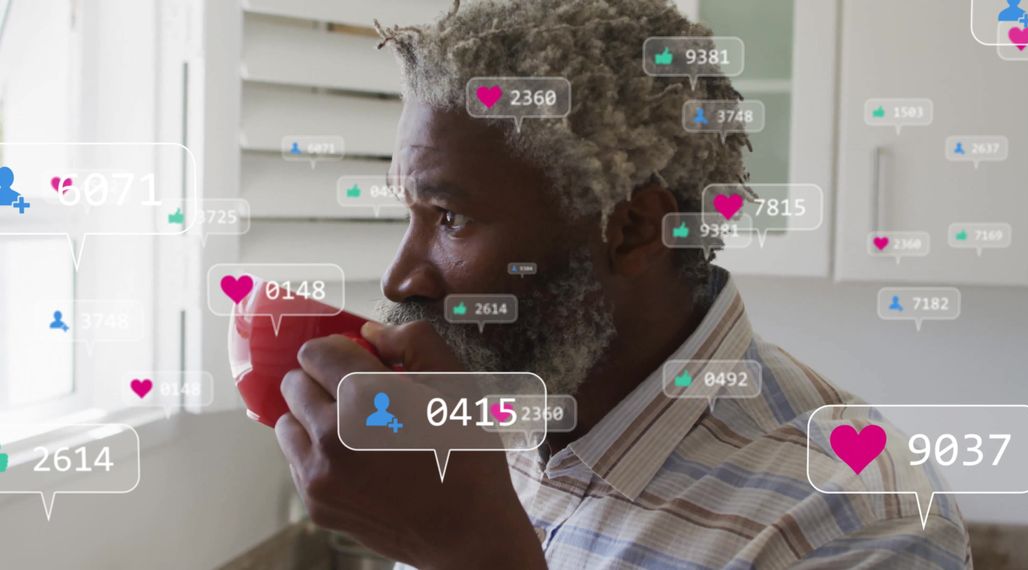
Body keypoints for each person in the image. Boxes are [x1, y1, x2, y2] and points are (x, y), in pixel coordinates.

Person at [273, 1, 972, 568]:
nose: (402, 275)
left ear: (635, 229)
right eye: (411, 214)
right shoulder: (493, 423)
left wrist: (472, 556)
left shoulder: (859, 523)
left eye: (450, 217)